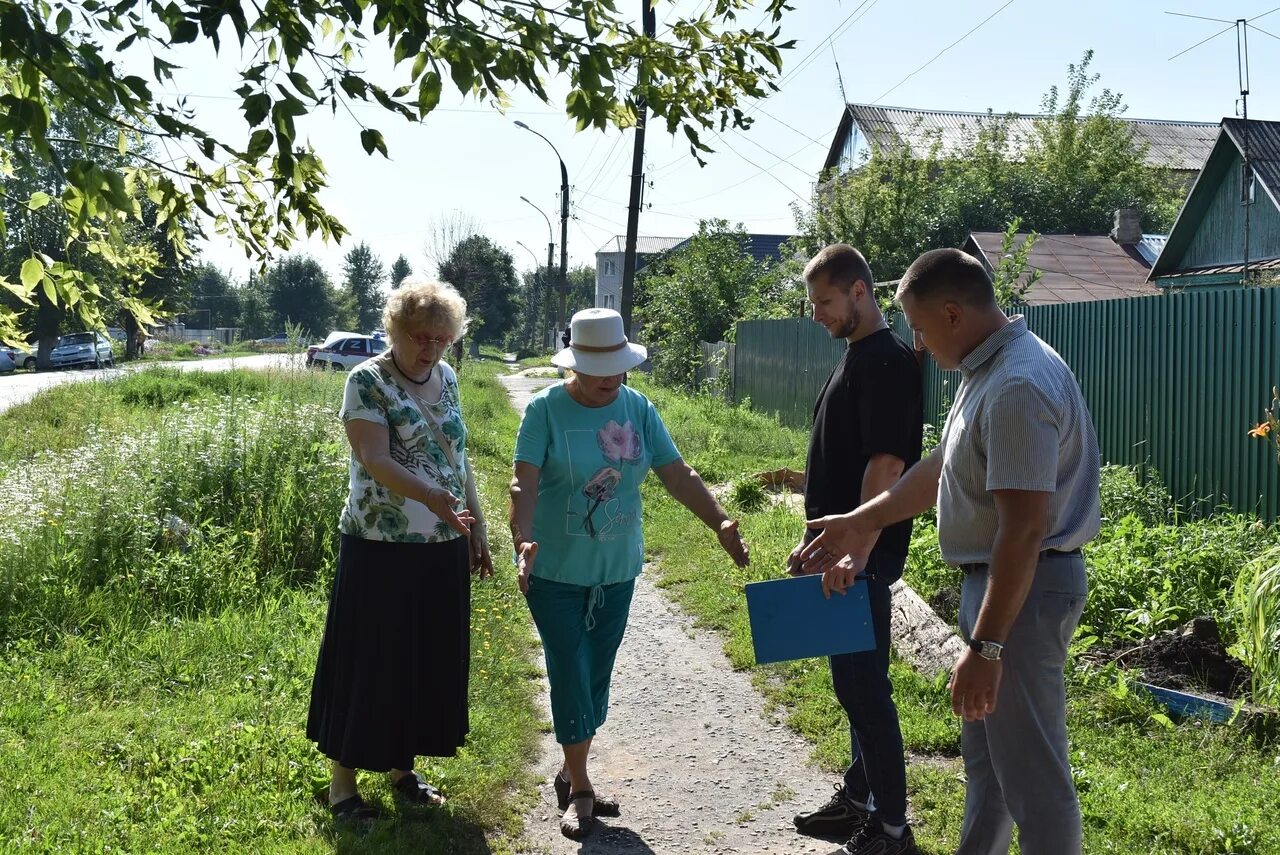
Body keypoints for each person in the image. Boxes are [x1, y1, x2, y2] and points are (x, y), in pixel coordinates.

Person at [801, 248, 1100, 855]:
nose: (916, 340)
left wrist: (988, 646)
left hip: (1022, 592)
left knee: (1034, 781)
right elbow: (940, 467)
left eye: (918, 324)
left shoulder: (1018, 384)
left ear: (952, 313)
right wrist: (862, 522)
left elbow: (1022, 529)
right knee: (989, 768)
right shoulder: (986, 373)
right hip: (1001, 585)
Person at [509, 307, 750, 840]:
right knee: (570, 670)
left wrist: (720, 521)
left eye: (617, 367)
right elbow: (523, 482)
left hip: (616, 571)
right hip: (554, 572)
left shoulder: (638, 408)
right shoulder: (545, 410)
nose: (608, 379)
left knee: (595, 675)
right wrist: (522, 537)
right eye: (597, 368)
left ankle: (570, 769)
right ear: (574, 364)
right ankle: (581, 789)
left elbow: (676, 473)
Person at [307, 277, 494, 821]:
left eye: (442, 338)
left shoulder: (449, 378)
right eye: (420, 336)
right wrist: (432, 496)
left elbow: (459, 461)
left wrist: (476, 527)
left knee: (421, 659)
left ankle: (401, 768)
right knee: (371, 659)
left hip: (440, 543)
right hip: (379, 544)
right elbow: (374, 458)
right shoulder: (367, 381)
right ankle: (343, 784)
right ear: (395, 329)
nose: (430, 347)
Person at [787, 245, 923, 855]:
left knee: (865, 691)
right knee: (853, 686)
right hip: (842, 549)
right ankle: (859, 799)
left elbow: (887, 464)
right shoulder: (856, 357)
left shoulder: (887, 363)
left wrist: (855, 553)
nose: (816, 314)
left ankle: (892, 829)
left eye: (824, 302)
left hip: (862, 556)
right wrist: (817, 542)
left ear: (860, 292)